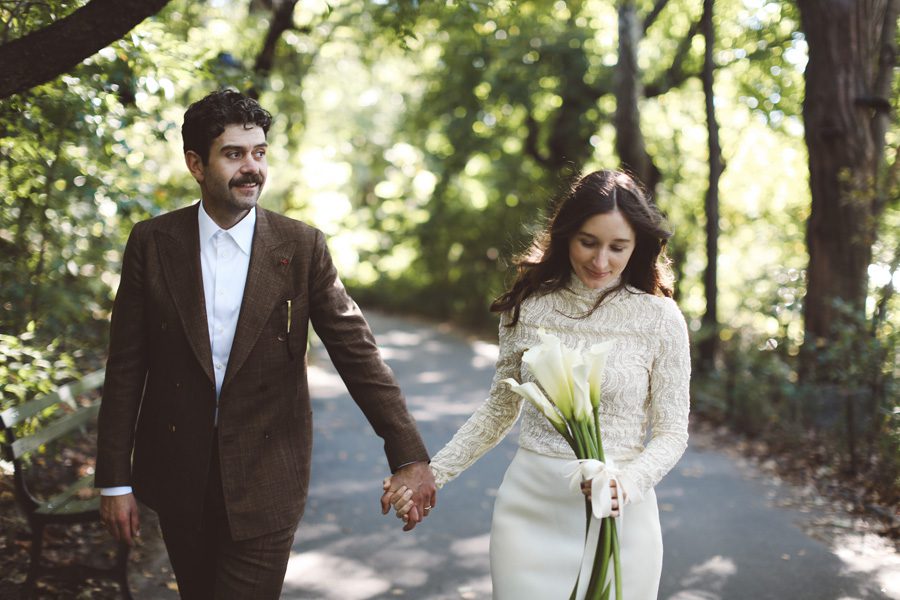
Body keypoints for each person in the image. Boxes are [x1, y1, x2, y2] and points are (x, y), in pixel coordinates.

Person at [96, 89, 436, 599]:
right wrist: (114, 481)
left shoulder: (301, 247)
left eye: (258, 152)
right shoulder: (152, 242)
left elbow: (357, 353)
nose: (251, 167)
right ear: (196, 164)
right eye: (234, 154)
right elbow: (126, 366)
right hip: (178, 474)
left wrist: (407, 453)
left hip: (267, 476)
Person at [383, 170, 690, 599]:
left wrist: (629, 483)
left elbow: (673, 432)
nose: (601, 261)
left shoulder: (660, 319)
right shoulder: (529, 305)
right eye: (588, 242)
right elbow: (498, 409)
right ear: (566, 236)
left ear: (637, 245)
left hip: (622, 513)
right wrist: (433, 474)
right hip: (530, 513)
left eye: (617, 247)